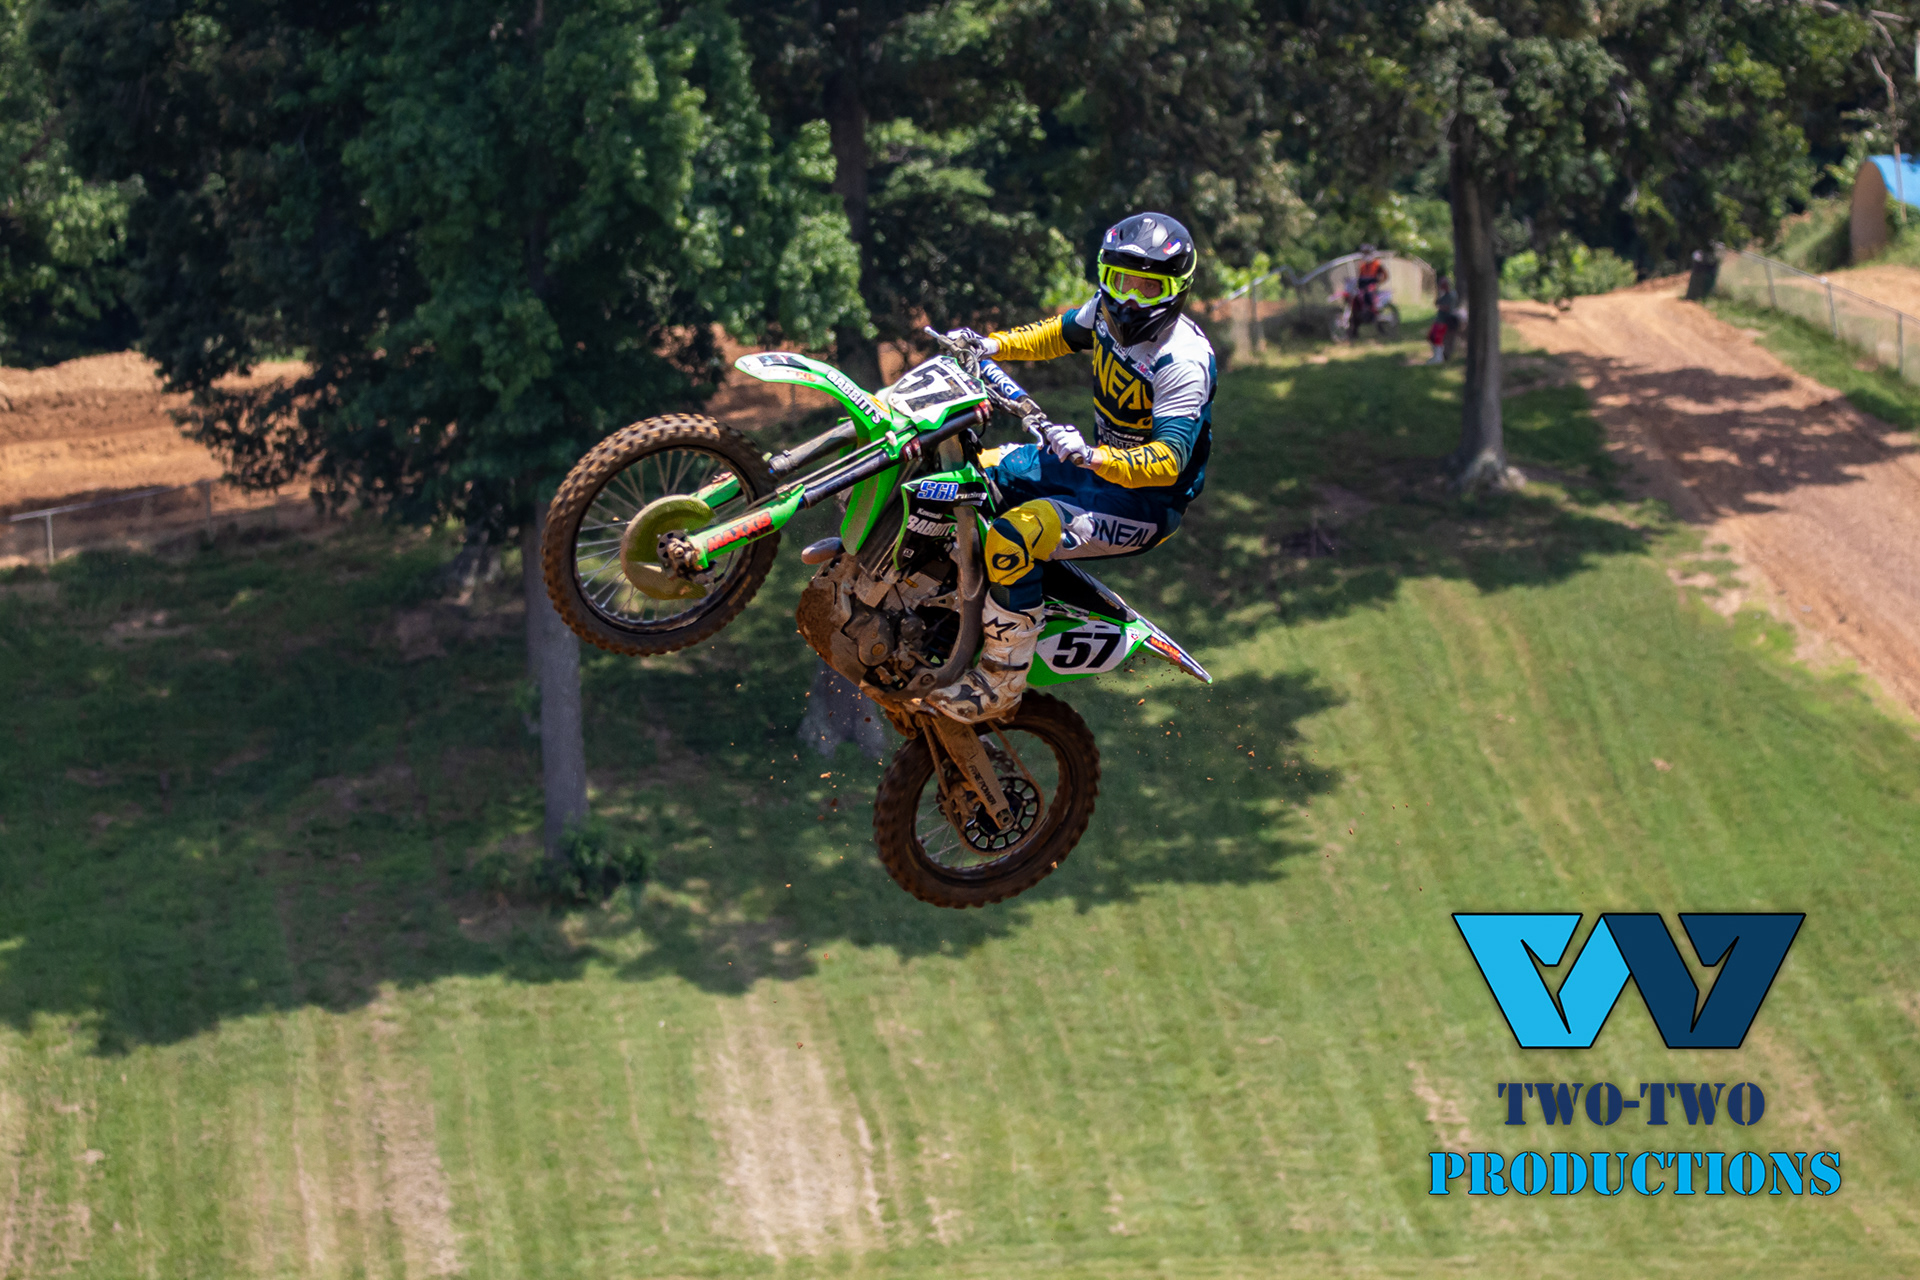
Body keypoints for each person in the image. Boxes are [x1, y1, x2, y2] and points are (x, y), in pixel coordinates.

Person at [927, 211, 1215, 723]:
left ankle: (1002, 680)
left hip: (1145, 504)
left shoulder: (1182, 361)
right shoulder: (1104, 312)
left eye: (1147, 288)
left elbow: (1167, 463)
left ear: (1177, 290)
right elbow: (1057, 334)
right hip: (1093, 468)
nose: (1129, 299)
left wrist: (1093, 455)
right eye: (1119, 281)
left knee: (1017, 533)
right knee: (969, 477)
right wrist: (991, 344)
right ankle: (933, 602)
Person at [1428, 273, 1461, 365]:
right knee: (1432, 337)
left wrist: (1441, 307)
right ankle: (1435, 356)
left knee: (1438, 339)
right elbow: (1436, 302)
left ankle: (1439, 358)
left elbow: (1449, 308)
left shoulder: (1452, 295)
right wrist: (1439, 294)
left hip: (1445, 320)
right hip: (1439, 320)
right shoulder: (1443, 294)